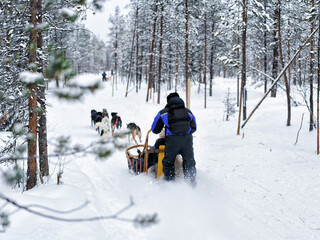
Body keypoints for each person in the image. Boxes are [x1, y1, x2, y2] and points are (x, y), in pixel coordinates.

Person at [151, 92, 197, 184]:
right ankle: (191, 183)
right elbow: (194, 127)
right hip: (187, 140)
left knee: (168, 162)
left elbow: (155, 130)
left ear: (168, 101)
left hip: (172, 142)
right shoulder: (188, 111)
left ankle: (170, 184)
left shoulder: (163, 112)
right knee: (189, 161)